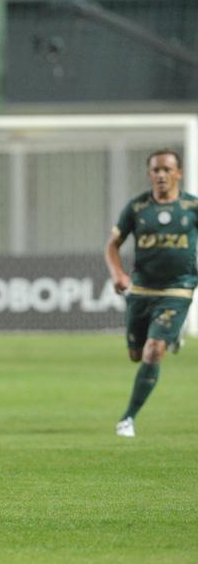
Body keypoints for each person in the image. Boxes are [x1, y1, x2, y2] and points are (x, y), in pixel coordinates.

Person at [104, 148, 198, 437]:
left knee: (153, 350)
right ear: (149, 174)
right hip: (141, 290)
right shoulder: (137, 208)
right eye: (156, 170)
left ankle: (127, 419)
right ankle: (173, 333)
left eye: (167, 170)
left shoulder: (192, 208)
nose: (161, 175)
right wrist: (118, 274)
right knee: (135, 354)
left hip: (177, 289)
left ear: (178, 173)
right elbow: (112, 246)